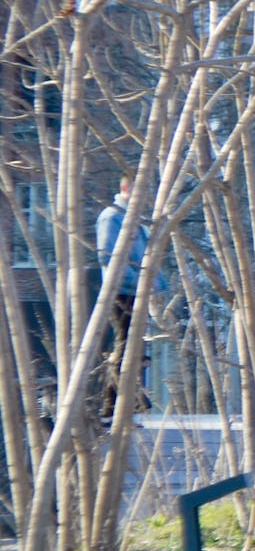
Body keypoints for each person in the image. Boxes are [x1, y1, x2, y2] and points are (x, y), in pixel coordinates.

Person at [95, 177, 149, 418]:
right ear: (126, 189)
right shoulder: (112, 217)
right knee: (123, 346)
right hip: (121, 291)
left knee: (133, 347)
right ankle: (111, 405)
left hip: (136, 291)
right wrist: (137, 280)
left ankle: (128, 402)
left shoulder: (135, 220)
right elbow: (108, 256)